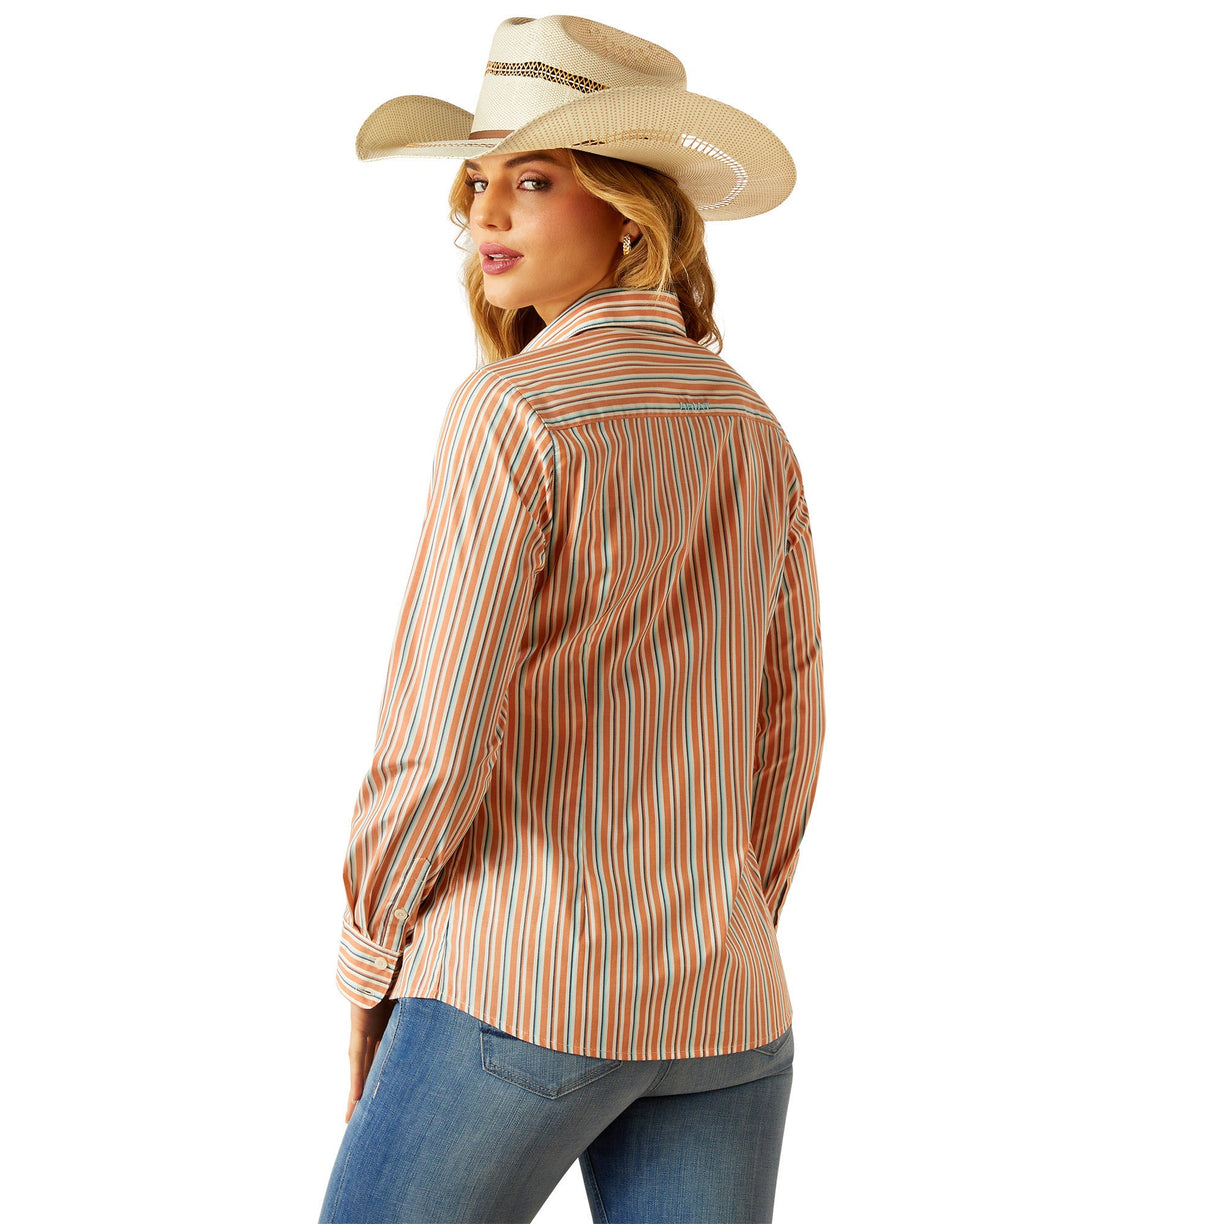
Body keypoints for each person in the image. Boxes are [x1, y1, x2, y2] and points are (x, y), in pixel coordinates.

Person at [318, 16, 825, 1224]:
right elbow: (790, 722)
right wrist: (726, 923)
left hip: (518, 991)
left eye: (534, 181)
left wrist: (371, 959)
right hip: (727, 1012)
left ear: (631, 216)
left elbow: (438, 737)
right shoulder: (751, 424)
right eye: (478, 181)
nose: (486, 212)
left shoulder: (514, 411)